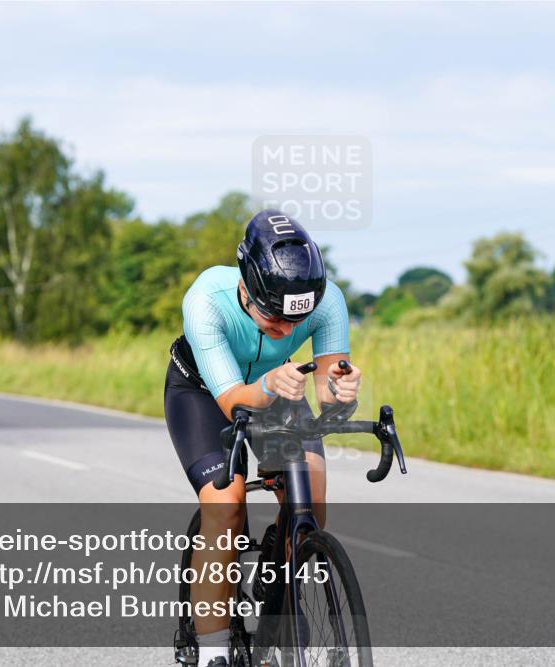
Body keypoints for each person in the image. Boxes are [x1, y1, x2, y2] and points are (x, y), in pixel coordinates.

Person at [164, 210, 361, 667]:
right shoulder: (206, 301)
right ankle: (213, 651)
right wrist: (272, 385)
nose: (289, 332)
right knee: (225, 502)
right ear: (247, 289)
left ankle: (278, 584)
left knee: (309, 499)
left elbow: (328, 398)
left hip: (281, 387)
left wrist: (341, 394)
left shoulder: (327, 301)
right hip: (205, 392)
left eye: (300, 320)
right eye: (275, 318)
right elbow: (234, 402)